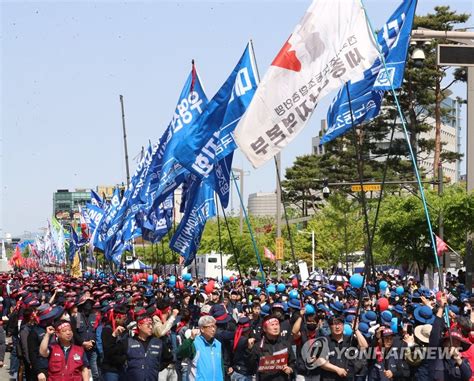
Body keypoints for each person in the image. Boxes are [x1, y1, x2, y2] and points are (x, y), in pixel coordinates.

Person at [177, 315, 224, 381]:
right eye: (210, 327)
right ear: (202, 329)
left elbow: (221, 366)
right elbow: (181, 353)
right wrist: (191, 339)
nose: (213, 329)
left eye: (214, 326)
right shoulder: (194, 343)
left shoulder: (218, 344)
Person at [123, 310, 163, 380]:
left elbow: (168, 358)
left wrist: (154, 368)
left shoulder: (158, 342)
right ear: (139, 325)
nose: (151, 327)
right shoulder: (129, 342)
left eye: (152, 325)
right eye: (148, 325)